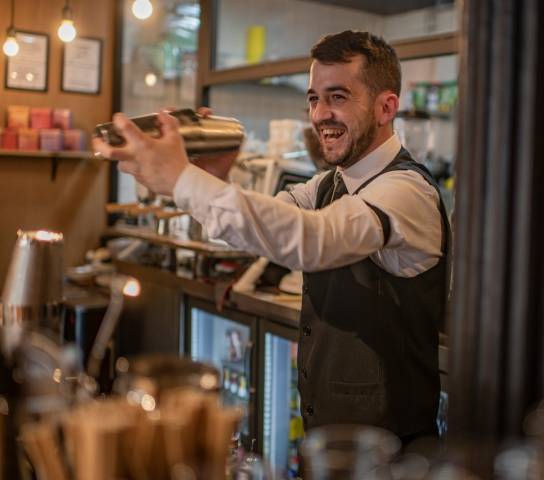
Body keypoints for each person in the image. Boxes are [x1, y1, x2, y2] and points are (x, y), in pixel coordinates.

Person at [93, 30, 449, 445]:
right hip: (329, 440)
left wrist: (181, 179)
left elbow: (314, 240)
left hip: (391, 452)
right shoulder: (328, 184)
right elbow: (263, 229)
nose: (319, 116)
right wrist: (214, 178)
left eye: (338, 97)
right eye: (314, 99)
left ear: (387, 106)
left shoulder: (408, 191)